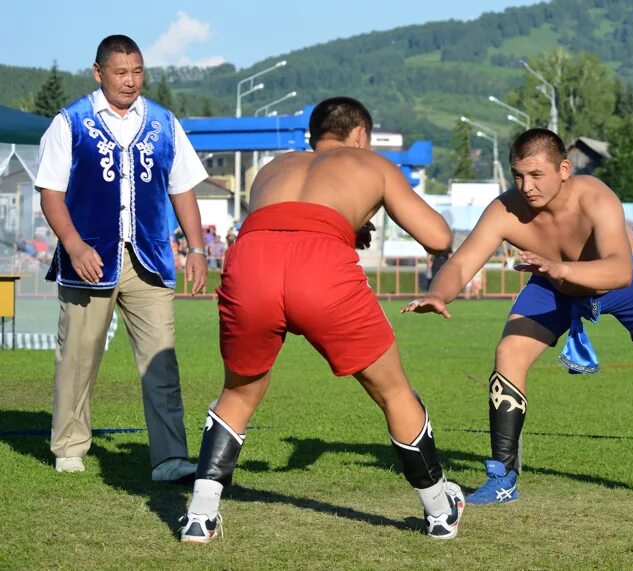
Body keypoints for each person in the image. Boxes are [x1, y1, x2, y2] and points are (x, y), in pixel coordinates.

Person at [403, 128, 633, 510]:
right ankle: (503, 476)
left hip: (621, 281)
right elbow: (463, 261)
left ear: (564, 169)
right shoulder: (505, 209)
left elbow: (620, 271)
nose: (525, 186)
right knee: (509, 352)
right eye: (518, 175)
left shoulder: (595, 195)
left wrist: (561, 268)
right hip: (553, 282)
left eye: (536, 175)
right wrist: (438, 293)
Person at [179, 97, 465, 544]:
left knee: (238, 391)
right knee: (392, 390)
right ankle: (438, 508)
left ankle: (200, 514)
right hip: (321, 269)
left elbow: (289, 219)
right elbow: (437, 237)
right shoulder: (369, 162)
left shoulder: (274, 166)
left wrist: (347, 222)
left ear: (313, 136)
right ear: (360, 136)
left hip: (253, 261)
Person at [35, 35, 208, 480]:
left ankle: (169, 457)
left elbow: (182, 187)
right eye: (121, 72)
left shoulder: (165, 122)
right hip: (88, 259)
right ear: (99, 73)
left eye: (137, 72)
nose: (131, 81)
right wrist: (73, 244)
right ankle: (69, 445)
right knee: (78, 357)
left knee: (161, 361)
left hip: (149, 260)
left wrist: (196, 247)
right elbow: (50, 192)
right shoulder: (69, 121)